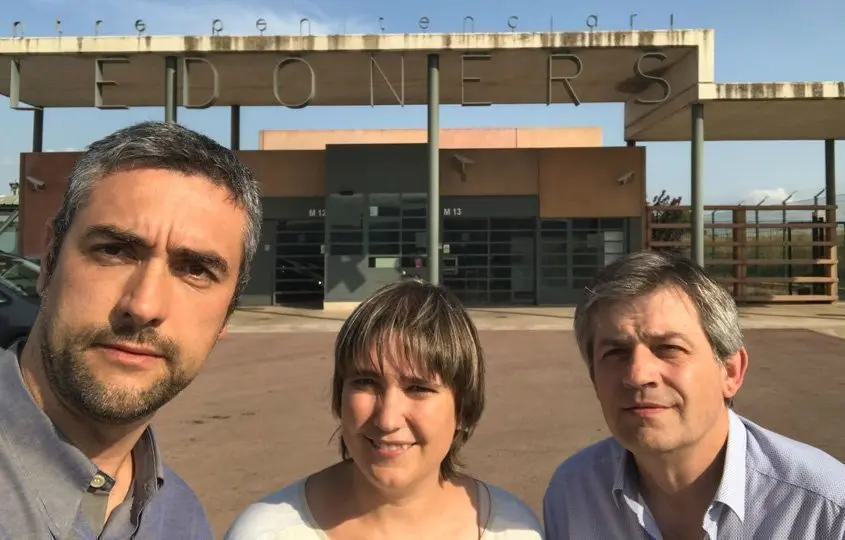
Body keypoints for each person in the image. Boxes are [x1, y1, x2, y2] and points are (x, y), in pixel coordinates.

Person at [0, 121, 262, 539]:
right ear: (50, 259)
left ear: (227, 315)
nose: (143, 306)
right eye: (115, 250)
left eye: (195, 270)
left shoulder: (182, 522)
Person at [542, 249, 845, 540]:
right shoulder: (573, 495)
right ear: (594, 379)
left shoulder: (824, 510)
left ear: (730, 372)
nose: (637, 375)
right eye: (615, 353)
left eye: (669, 349)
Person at [224, 277, 544, 540]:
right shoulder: (265, 533)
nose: (388, 418)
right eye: (366, 382)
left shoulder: (515, 530)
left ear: (464, 407)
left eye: (418, 388)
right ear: (339, 394)